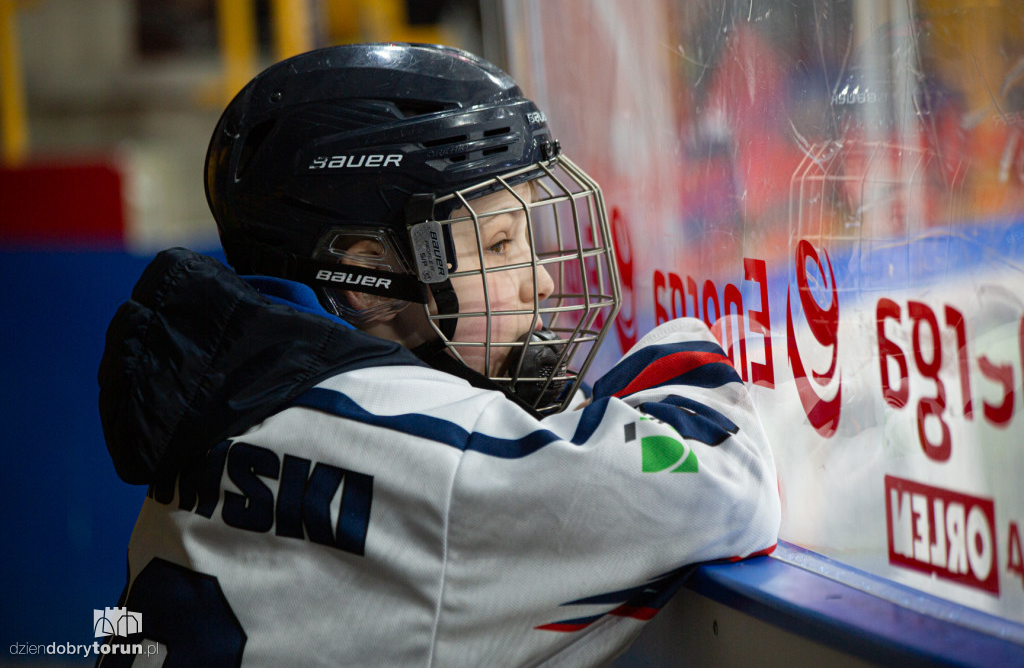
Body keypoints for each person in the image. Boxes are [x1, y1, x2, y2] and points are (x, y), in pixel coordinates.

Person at [97, 43, 780, 667]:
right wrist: (688, 351)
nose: (541, 282)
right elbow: (723, 484)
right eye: (501, 244)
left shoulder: (226, 402)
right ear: (366, 276)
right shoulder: (436, 452)